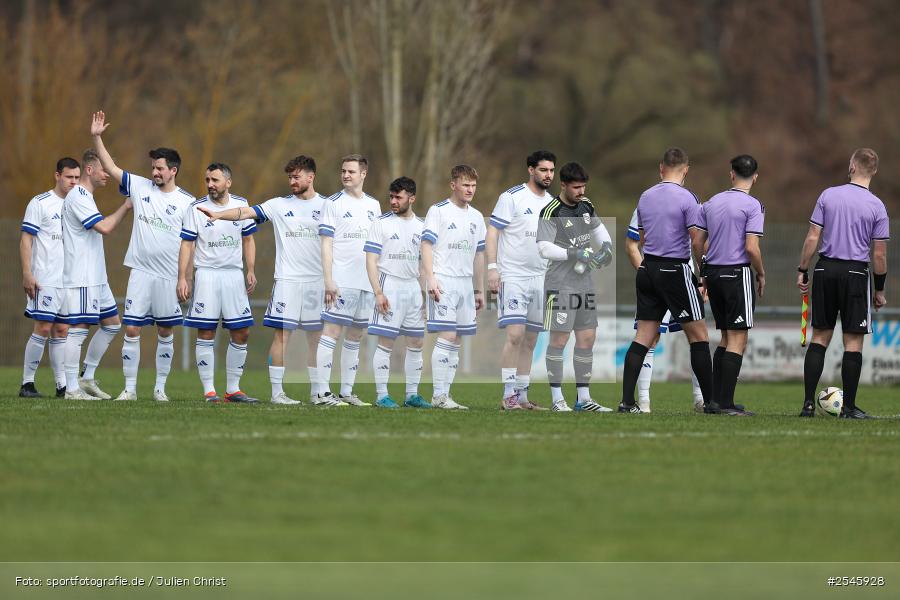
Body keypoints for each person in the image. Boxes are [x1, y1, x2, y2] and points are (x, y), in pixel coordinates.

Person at [197, 155, 338, 405]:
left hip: (317, 283)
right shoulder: (279, 205)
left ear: (310, 177)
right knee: (282, 337)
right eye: (290, 177)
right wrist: (220, 215)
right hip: (287, 281)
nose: (292, 181)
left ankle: (318, 393)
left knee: (316, 338)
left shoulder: (329, 206)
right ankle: (277, 393)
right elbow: (246, 212)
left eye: (296, 177)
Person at [90, 111, 195, 402]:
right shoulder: (139, 187)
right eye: (153, 168)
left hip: (168, 277)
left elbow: (191, 243)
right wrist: (97, 137)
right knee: (132, 328)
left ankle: (160, 389)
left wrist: (185, 277)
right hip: (141, 272)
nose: (155, 173)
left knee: (165, 331)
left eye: (160, 168)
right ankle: (130, 389)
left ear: (173, 170)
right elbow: (111, 167)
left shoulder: (187, 202)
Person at [620, 148, 717, 414]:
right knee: (699, 336)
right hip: (675, 270)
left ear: (661, 168)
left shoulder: (645, 196)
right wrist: (703, 272)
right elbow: (696, 239)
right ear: (685, 170)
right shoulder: (688, 198)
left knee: (643, 338)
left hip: (647, 268)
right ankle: (709, 402)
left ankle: (627, 402)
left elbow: (639, 237)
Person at [797, 148, 888, 419]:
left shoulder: (828, 195)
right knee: (853, 343)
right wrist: (880, 289)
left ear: (851, 167)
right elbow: (879, 254)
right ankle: (849, 408)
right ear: (874, 171)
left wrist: (803, 269)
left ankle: (808, 405)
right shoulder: (877, 206)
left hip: (825, 268)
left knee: (820, 337)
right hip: (856, 274)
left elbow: (813, 237)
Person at [536, 162, 613, 412]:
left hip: (584, 283)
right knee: (559, 339)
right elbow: (544, 247)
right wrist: (575, 252)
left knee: (587, 338)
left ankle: (583, 399)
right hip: (560, 284)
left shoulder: (587, 205)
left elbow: (600, 232)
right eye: (576, 187)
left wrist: (606, 249)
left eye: (583, 186)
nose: (581, 191)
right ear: (564, 185)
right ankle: (558, 399)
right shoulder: (551, 212)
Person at [691, 155, 765, 416]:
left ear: (731, 174)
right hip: (737, 274)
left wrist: (704, 270)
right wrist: (761, 272)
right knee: (738, 339)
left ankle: (715, 400)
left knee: (724, 337)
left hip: (714, 274)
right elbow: (751, 247)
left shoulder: (712, 203)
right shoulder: (753, 206)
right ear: (755, 177)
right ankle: (726, 403)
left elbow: (698, 242)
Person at [178, 163, 258, 403]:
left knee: (242, 332)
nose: (210, 184)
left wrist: (251, 269)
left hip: (234, 274)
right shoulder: (195, 208)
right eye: (207, 180)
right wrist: (183, 276)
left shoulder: (241, 204)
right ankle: (209, 391)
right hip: (207, 274)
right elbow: (187, 244)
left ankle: (233, 389)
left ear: (228, 183)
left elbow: (249, 240)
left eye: (215, 180)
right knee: (206, 331)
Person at [486, 150, 555, 410]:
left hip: (541, 278)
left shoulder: (552, 204)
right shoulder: (511, 197)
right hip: (513, 275)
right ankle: (508, 396)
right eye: (543, 170)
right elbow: (492, 232)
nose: (548, 175)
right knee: (515, 335)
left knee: (531, 340)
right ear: (530, 170)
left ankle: (523, 397)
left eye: (551, 170)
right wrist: (493, 268)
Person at [59, 149, 131, 400]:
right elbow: (105, 228)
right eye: (104, 170)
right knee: (78, 329)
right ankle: (71, 389)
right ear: (89, 170)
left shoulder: (86, 196)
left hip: (96, 277)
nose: (108, 174)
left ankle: (87, 377)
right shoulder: (77, 196)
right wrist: (126, 205)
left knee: (112, 325)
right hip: (82, 277)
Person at [315, 154, 382, 407]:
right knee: (331, 332)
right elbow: (326, 244)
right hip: (342, 280)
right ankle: (322, 393)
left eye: (351, 172)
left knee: (355, 336)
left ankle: (346, 392)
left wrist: (377, 284)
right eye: (343, 171)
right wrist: (329, 279)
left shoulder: (374, 206)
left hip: (366, 282)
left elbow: (377, 247)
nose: (345, 175)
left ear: (363, 174)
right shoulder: (333, 203)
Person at [625, 209, 704, 413]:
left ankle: (701, 399)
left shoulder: (690, 203)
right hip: (655, 278)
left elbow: (698, 242)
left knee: (696, 337)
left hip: (682, 280)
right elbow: (631, 245)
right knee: (649, 338)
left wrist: (701, 278)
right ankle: (643, 402)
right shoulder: (647, 203)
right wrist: (647, 273)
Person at [421, 165, 487, 409]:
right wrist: (430, 277)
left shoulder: (477, 217)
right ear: (453, 185)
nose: (470, 190)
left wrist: (478, 289)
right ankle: (438, 395)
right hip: (444, 280)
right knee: (447, 335)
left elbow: (479, 255)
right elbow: (426, 246)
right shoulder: (438, 211)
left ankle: (446, 395)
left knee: (457, 339)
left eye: (473, 186)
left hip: (465, 284)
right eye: (465, 184)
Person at [364, 176, 430, 409]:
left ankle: (412, 395)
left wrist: (423, 294)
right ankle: (382, 395)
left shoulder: (422, 227)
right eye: (391, 196)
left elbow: (423, 265)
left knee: (416, 341)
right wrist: (378, 292)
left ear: (411, 198)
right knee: (386, 341)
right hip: (389, 284)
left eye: (398, 197)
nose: (393, 201)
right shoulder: (381, 223)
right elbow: (371, 261)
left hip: (412, 287)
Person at [19, 158, 80, 398]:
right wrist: (27, 272)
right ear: (57, 176)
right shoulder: (40, 203)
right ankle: (27, 383)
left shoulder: (80, 204)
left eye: (76, 177)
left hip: (69, 280)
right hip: (45, 277)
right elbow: (26, 239)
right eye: (69, 177)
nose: (73, 182)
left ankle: (61, 386)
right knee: (43, 327)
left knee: (62, 330)